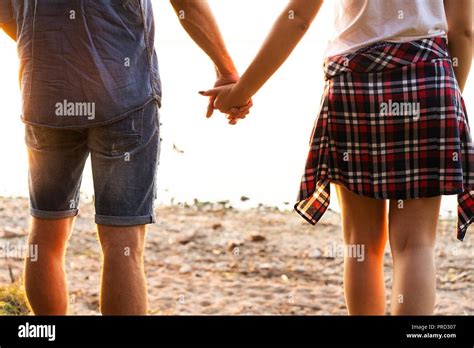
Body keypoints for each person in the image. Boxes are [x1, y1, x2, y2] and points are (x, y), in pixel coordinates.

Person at [203, 0, 473, 315]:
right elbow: (464, 30)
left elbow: (298, 18)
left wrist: (241, 91)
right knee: (415, 245)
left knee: (362, 245)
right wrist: (446, 93)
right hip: (429, 77)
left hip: (353, 82)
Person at [6, 0, 249, 315]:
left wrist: (50, 48)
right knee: (123, 244)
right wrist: (227, 70)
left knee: (45, 232)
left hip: (44, 93)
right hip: (123, 96)